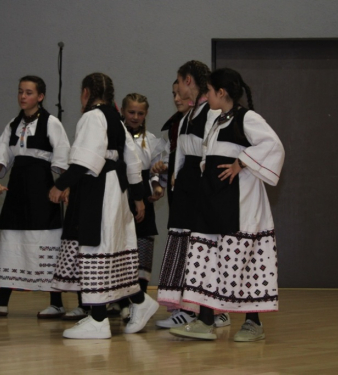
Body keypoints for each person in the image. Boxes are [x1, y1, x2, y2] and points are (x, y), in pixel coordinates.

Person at [169, 68, 284, 341]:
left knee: (243, 261)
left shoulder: (248, 118)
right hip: (212, 199)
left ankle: (253, 323)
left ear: (221, 93)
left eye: (208, 91)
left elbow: (273, 145)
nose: (205, 96)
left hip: (240, 204)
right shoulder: (216, 119)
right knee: (204, 259)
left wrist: (240, 162)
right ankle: (205, 320)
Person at [49, 73, 159, 339]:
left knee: (96, 248)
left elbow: (86, 160)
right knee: (113, 251)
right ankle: (141, 302)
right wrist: (137, 197)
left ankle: (98, 319)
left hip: (98, 189)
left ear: (86, 92)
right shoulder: (115, 119)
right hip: (116, 190)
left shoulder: (92, 117)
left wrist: (61, 184)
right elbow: (132, 162)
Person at [0, 76, 71, 319]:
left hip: (42, 189)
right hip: (17, 189)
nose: (23, 96)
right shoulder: (13, 124)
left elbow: (62, 155)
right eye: (20, 91)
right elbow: (1, 156)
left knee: (47, 241)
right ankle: (2, 301)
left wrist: (64, 187)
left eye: (29, 92)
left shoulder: (51, 122)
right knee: (12, 239)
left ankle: (57, 302)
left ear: (40, 97)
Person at [154, 61, 229, 329]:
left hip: (201, 187)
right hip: (185, 188)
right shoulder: (188, 114)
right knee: (184, 246)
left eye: (179, 82)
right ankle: (187, 308)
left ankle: (213, 311)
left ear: (188, 80)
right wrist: (174, 175)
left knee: (202, 249)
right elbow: (182, 151)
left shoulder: (210, 110)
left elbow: (210, 149)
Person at [111, 93, 166, 322]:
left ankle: (140, 299)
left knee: (142, 247)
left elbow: (156, 171)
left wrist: (157, 187)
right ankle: (121, 301)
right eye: (131, 112)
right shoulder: (114, 137)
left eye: (140, 113)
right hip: (120, 193)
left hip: (142, 194)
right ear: (123, 111)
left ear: (146, 114)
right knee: (120, 247)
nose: (135, 117)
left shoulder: (152, 140)